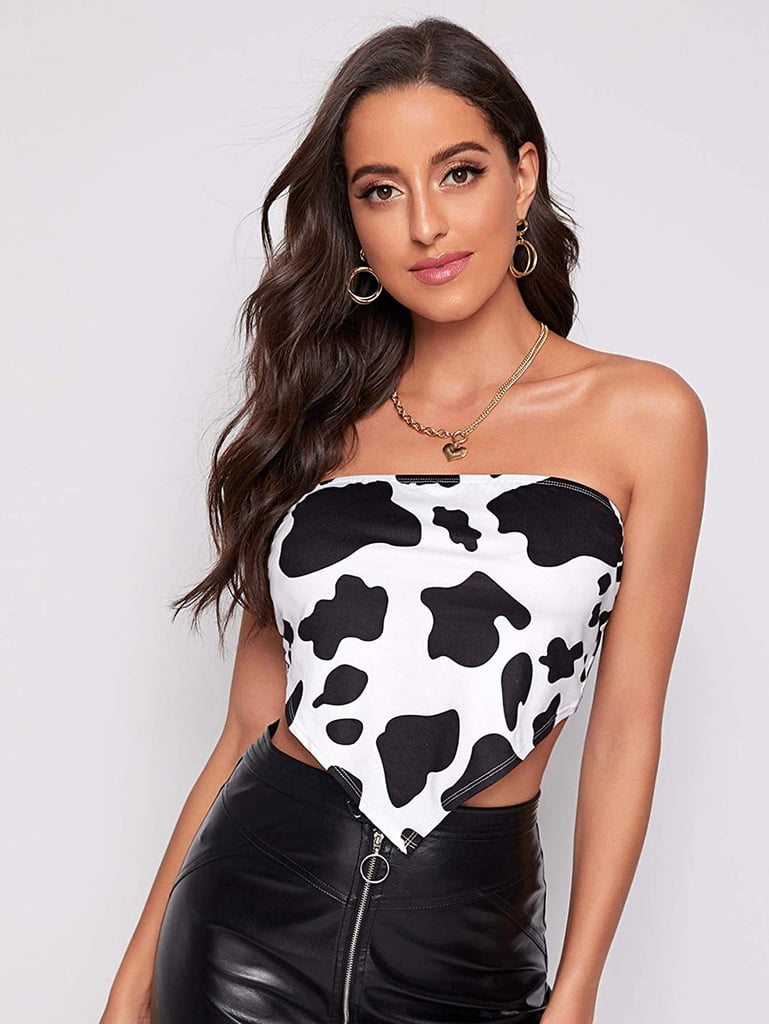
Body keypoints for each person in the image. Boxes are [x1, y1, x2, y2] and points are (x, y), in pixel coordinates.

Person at [100, 16, 707, 1024]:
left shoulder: (643, 417)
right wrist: (130, 990)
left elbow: (624, 728)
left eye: (458, 173)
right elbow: (249, 723)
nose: (425, 224)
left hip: (467, 945)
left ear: (522, 175)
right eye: (381, 189)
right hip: (246, 930)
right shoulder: (316, 426)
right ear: (351, 220)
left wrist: (576, 995)